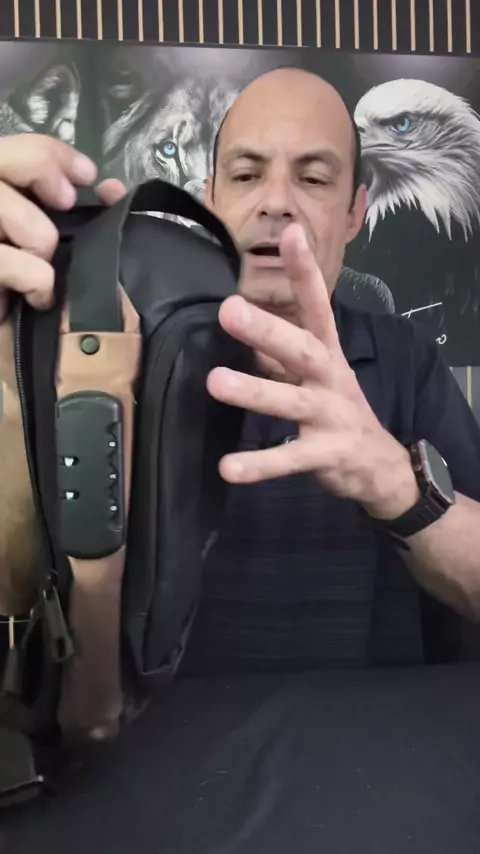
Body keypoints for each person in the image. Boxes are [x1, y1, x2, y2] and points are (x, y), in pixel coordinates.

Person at [1, 67, 480, 677]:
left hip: (371, 734)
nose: (276, 202)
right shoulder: (112, 358)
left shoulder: (407, 359)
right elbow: (13, 582)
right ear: (211, 198)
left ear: (354, 212)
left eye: (313, 178)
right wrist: (13, 371)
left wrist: (394, 483)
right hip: (155, 736)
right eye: (247, 175)